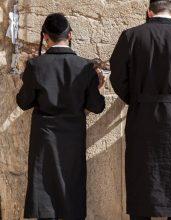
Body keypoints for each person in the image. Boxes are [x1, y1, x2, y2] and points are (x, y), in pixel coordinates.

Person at [110, 0, 171, 219]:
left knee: (142, 184)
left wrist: (138, 100)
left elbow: (117, 78)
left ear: (149, 12)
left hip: (141, 120)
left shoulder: (131, 37)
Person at [16, 13, 106, 220]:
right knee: (71, 188)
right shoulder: (85, 67)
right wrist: (98, 88)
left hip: (44, 138)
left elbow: (23, 102)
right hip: (73, 138)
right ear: (70, 35)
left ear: (45, 37)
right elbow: (96, 106)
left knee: (44, 189)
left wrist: (27, 77)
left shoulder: (35, 66)